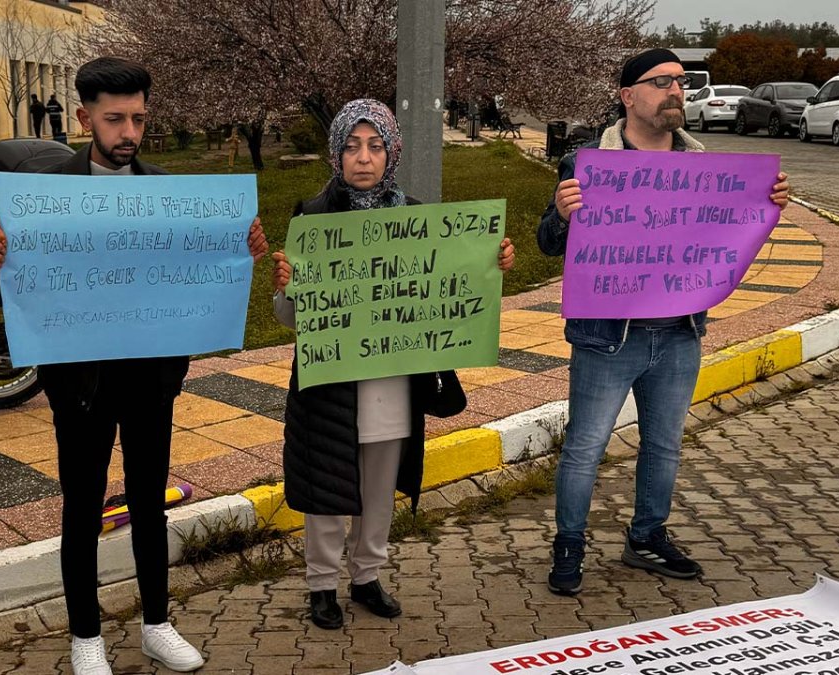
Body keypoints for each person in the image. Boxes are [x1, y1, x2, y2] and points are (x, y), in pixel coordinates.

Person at [0, 56, 269, 674]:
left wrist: (241, 250)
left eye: (138, 118)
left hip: (150, 379)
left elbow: (202, 269)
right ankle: (85, 637)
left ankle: (157, 623)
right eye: (115, 119)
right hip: (80, 382)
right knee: (82, 508)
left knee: (148, 502)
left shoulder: (169, 195)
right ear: (84, 118)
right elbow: (17, 282)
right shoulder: (44, 199)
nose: (129, 132)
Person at [536, 48, 790, 596]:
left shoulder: (703, 168)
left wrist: (765, 205)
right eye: (661, 82)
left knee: (665, 445)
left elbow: (724, 238)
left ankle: (647, 536)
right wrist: (561, 213)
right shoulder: (589, 162)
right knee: (585, 447)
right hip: (608, 337)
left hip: (680, 333)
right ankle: (569, 544)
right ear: (629, 96)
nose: (676, 91)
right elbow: (547, 243)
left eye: (681, 81)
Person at [270, 99, 516, 630]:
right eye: (352, 146)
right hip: (329, 384)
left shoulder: (420, 218)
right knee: (326, 489)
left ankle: (366, 577)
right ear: (336, 154)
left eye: (375, 146)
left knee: (378, 489)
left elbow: (450, 285)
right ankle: (321, 585)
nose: (364, 158)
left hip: (392, 384)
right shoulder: (312, 217)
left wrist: (491, 263)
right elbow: (290, 319)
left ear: (392, 152)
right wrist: (287, 290)